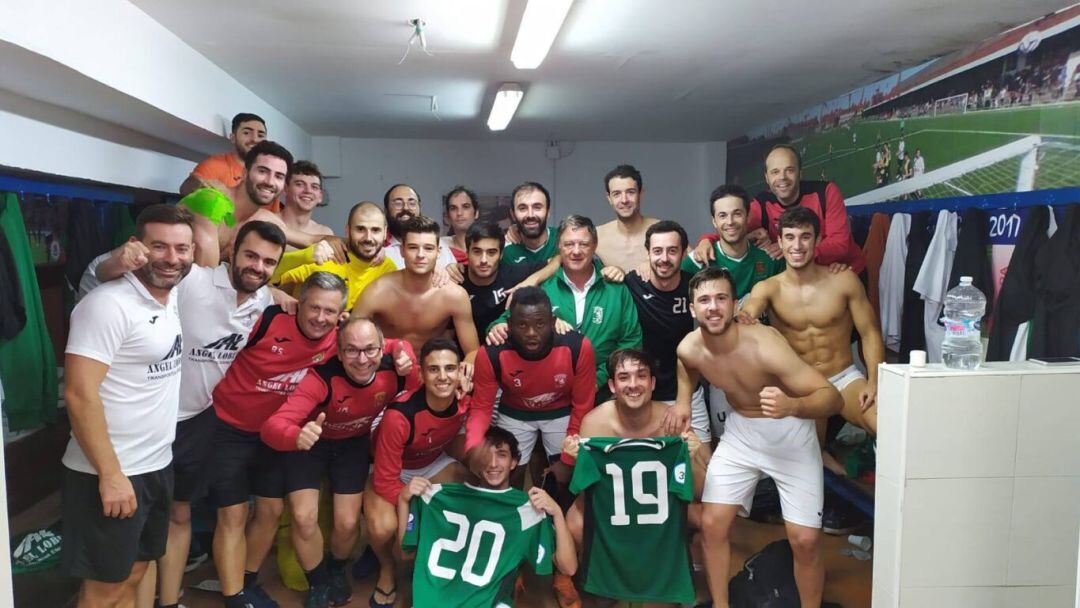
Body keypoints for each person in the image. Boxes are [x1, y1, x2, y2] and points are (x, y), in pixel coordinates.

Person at [94, 220, 287, 608]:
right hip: (145, 421)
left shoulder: (265, 301)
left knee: (179, 515)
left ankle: (171, 600)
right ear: (232, 250)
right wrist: (117, 259)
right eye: (251, 255)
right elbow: (109, 274)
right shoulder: (193, 279)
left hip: (198, 420)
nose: (258, 267)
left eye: (269, 262)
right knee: (140, 529)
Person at [675, 267, 843, 608]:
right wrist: (682, 404)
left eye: (721, 298)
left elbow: (832, 397)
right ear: (692, 309)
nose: (713, 307)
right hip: (742, 434)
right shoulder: (689, 348)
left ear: (736, 305)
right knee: (712, 524)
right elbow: (686, 368)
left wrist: (793, 404)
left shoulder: (765, 345)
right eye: (704, 300)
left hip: (790, 433)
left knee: (806, 540)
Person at [60, 205, 193, 607]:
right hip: (111, 471)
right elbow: (78, 393)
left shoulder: (168, 297)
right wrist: (111, 474)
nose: (172, 258)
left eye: (182, 248)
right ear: (136, 247)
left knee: (135, 570)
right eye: (160, 246)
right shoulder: (107, 305)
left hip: (154, 464)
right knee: (105, 587)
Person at [260, 316, 419, 608]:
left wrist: (404, 348)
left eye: (370, 350)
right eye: (352, 351)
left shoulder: (395, 370)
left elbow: (424, 386)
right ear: (339, 350)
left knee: (347, 524)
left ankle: (334, 569)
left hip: (352, 445)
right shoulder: (321, 377)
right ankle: (318, 582)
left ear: (382, 348)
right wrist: (295, 435)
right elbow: (272, 426)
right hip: (310, 444)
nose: (362, 360)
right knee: (303, 517)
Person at [208, 272, 346, 608]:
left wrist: (400, 352)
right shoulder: (267, 319)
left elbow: (375, 346)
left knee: (270, 511)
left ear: (341, 313)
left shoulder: (338, 338)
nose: (320, 318)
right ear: (300, 302)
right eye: (313, 307)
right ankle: (234, 597)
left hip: (274, 435)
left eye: (330, 311)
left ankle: (247, 581)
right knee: (234, 514)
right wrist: (270, 291)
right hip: (228, 427)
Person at [562, 349, 707, 606]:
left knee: (710, 518)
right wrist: (578, 459)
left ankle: (690, 574)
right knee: (574, 520)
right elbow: (588, 492)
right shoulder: (595, 423)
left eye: (641, 376)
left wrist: (693, 457)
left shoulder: (672, 422)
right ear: (612, 385)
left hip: (664, 510)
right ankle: (596, 578)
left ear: (652, 383)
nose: (633, 385)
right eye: (624, 377)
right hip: (616, 509)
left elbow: (699, 491)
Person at [739, 207, 884, 463]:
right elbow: (749, 311)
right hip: (801, 385)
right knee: (809, 458)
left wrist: (875, 382)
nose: (797, 245)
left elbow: (870, 332)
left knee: (884, 424)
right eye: (790, 237)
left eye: (805, 237)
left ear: (817, 241)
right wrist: (743, 315)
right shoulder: (768, 288)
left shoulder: (844, 280)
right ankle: (822, 465)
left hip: (844, 378)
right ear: (780, 242)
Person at [398, 426, 576, 607]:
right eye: (485, 455)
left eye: (502, 454)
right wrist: (404, 500)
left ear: (514, 462)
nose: (492, 463)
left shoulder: (526, 510)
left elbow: (568, 567)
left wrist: (557, 513)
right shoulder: (438, 498)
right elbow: (404, 553)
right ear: (476, 461)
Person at [362, 338, 481, 608]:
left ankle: (454, 566)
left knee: (475, 491)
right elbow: (384, 479)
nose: (443, 377)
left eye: (450, 369)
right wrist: (414, 507)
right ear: (421, 374)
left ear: (460, 371)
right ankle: (387, 569)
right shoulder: (400, 415)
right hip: (390, 471)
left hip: (432, 462)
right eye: (434, 369)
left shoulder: (466, 398)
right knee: (383, 528)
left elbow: (482, 356)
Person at [488, 215, 642, 402]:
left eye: (583, 244)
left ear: (594, 246)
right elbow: (507, 319)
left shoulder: (616, 290)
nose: (576, 251)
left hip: (605, 391)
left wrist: (597, 378)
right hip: (551, 392)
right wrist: (497, 327)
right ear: (559, 248)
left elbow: (631, 341)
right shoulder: (543, 288)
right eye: (569, 244)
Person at [471, 287, 596, 485]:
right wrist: (475, 446)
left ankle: (556, 514)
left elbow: (583, 406)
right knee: (505, 476)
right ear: (509, 325)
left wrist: (568, 457)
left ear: (553, 323)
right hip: (515, 413)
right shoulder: (492, 353)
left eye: (540, 324)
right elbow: (481, 408)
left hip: (561, 412)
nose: (531, 333)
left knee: (565, 477)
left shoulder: (577, 347)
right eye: (522, 325)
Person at [692, 144, 865, 274]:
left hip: (843, 270)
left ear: (800, 173)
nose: (782, 178)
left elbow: (841, 244)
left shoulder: (826, 192)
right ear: (767, 178)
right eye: (775, 172)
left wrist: (790, 251)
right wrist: (706, 240)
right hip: (804, 276)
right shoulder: (762, 204)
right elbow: (732, 225)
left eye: (789, 170)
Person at [183, 140, 346, 269]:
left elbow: (312, 240)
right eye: (262, 171)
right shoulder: (212, 202)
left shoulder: (262, 218)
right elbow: (204, 281)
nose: (270, 182)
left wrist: (369, 246)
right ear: (245, 173)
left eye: (279, 176)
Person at [623, 220, 710, 443]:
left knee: (701, 460)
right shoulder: (631, 284)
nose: (664, 258)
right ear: (648, 254)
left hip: (687, 391)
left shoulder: (694, 288)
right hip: (643, 395)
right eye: (657, 251)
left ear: (683, 253)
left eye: (672, 251)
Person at [352, 215, 479, 362]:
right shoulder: (377, 292)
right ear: (401, 251)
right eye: (413, 247)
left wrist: (467, 369)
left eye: (428, 248)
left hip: (431, 373)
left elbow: (472, 352)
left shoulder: (455, 296)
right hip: (387, 370)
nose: (420, 255)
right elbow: (350, 339)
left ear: (438, 252)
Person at [277, 202, 397, 311]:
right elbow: (268, 273)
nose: (368, 238)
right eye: (360, 229)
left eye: (376, 230)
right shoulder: (324, 258)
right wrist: (305, 256)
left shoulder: (388, 269)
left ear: (385, 233)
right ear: (347, 230)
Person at [681, 185, 784, 301]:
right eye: (722, 215)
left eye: (737, 214)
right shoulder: (697, 261)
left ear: (748, 216)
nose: (730, 222)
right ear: (714, 221)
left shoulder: (771, 259)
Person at [456, 222, 554, 339]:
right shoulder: (457, 279)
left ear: (501, 255)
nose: (484, 260)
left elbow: (557, 260)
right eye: (477, 252)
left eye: (491, 252)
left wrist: (531, 280)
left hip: (504, 349)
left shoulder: (512, 274)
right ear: (467, 253)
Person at [180, 113, 267, 197]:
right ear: (233, 138)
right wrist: (199, 185)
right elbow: (185, 189)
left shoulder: (270, 173)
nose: (255, 139)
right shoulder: (215, 164)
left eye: (260, 135)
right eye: (246, 133)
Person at [595, 164, 659, 271]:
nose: (624, 200)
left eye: (630, 192)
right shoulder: (595, 236)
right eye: (617, 194)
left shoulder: (663, 232)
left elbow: (693, 262)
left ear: (640, 194)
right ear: (609, 198)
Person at [381, 184, 458, 270]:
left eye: (412, 203)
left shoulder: (439, 244)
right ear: (386, 210)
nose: (406, 208)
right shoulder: (379, 249)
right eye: (398, 203)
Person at [502, 182, 558, 265]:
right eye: (522, 208)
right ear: (513, 215)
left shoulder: (563, 240)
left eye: (537, 207)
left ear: (548, 212)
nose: (530, 215)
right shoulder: (504, 251)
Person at [279, 160, 334, 246]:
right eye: (300, 184)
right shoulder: (269, 221)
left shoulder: (325, 233)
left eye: (314, 187)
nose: (308, 191)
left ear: (320, 196)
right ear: (285, 189)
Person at [441, 185, 479, 263]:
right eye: (453, 208)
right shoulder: (440, 247)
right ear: (448, 216)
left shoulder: (491, 245)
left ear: (476, 213)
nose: (459, 213)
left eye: (466, 207)